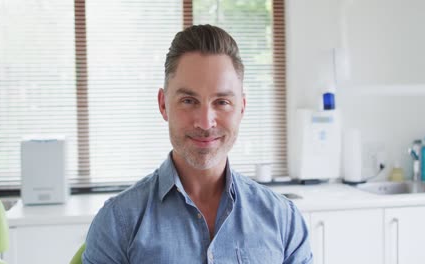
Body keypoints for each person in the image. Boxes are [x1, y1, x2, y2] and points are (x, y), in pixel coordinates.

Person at [82, 24, 312, 264]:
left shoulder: (284, 220)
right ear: (163, 104)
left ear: (241, 108)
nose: (205, 122)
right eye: (189, 100)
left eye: (222, 102)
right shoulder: (118, 222)